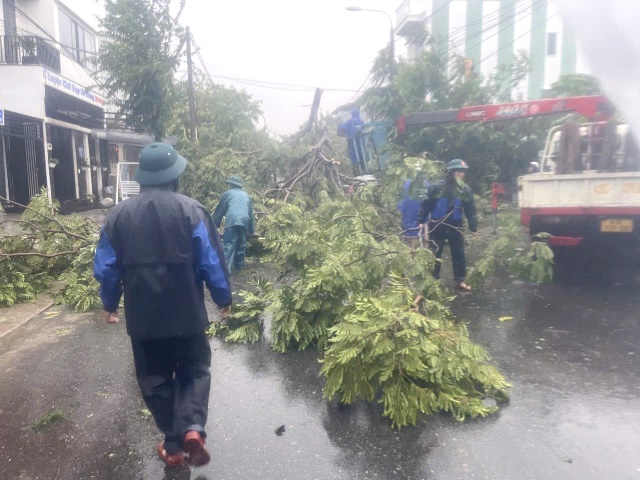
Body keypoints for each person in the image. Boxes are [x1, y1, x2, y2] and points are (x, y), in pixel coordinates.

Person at [93, 143, 232, 468]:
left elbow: (107, 267)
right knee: (195, 371)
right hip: (187, 317)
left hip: (144, 321)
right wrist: (223, 298)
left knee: (154, 381)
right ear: (174, 176)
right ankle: (193, 429)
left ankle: (173, 446)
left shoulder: (119, 216)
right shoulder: (192, 210)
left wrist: (110, 304)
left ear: (143, 177)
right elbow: (211, 260)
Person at [418, 159, 478, 291]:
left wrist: (473, 228)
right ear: (450, 172)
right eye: (458, 171)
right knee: (435, 254)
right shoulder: (436, 187)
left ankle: (460, 280)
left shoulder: (465, 190)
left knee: (459, 253)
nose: (462, 174)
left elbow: (470, 209)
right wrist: (421, 221)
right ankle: (433, 281)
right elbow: (426, 205)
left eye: (463, 172)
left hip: (456, 226)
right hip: (437, 225)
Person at [213, 176, 255, 274]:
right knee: (241, 244)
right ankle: (239, 267)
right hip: (244, 220)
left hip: (232, 220)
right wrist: (251, 230)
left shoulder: (227, 194)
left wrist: (215, 224)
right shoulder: (246, 195)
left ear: (231, 185)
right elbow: (250, 213)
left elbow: (220, 210)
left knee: (228, 244)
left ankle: (225, 270)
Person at [398, 179, 428, 246]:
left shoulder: (406, 183)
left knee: (411, 233)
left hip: (410, 215)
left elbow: (401, 203)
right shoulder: (425, 183)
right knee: (423, 233)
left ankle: (413, 248)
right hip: (420, 215)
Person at [338, 108, 366, 175]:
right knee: (362, 154)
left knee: (353, 155)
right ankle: (364, 170)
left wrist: (339, 124)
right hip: (361, 140)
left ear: (352, 114)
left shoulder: (350, 121)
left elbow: (342, 127)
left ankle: (356, 172)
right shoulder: (361, 121)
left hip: (352, 141)